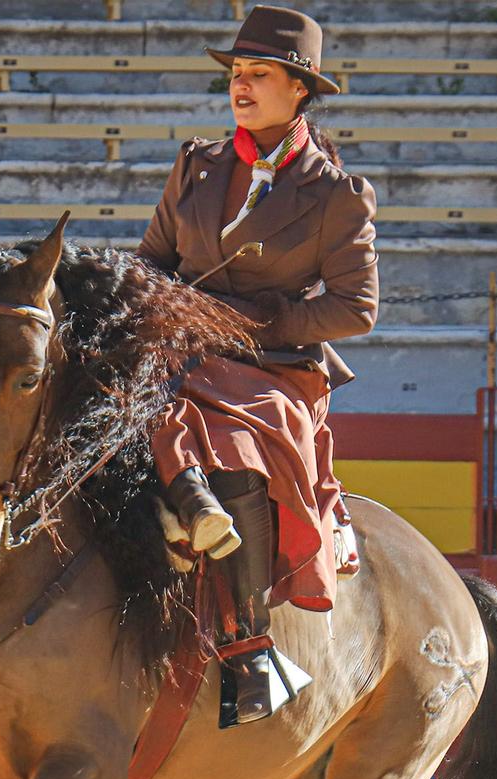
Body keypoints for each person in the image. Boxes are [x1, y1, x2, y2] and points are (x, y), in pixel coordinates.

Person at [137, 4, 378, 727]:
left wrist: (262, 321)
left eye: (258, 75)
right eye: (236, 74)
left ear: (299, 88)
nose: (240, 87)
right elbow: (152, 262)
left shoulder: (336, 194)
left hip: (271, 369)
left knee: (242, 444)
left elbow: (356, 308)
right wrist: (145, 304)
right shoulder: (196, 164)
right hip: (183, 352)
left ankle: (250, 649)